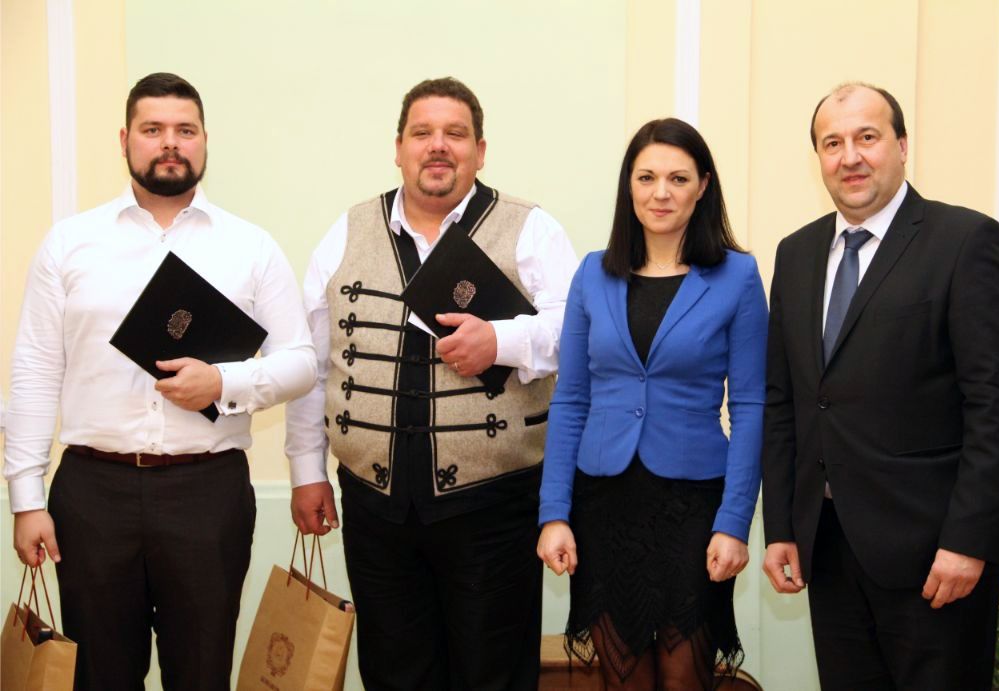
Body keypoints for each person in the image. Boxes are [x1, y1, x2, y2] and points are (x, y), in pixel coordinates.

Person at [4, 72, 317, 690]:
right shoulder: (70, 243)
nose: (170, 142)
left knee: (201, 673)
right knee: (99, 676)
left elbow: (302, 361)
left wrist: (222, 382)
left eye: (185, 130)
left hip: (208, 492)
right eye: (153, 129)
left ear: (205, 141)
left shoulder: (250, 246)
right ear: (125, 140)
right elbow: (35, 370)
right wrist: (26, 498)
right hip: (93, 493)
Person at [284, 76, 578, 690]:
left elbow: (577, 334)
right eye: (422, 133)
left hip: (495, 506)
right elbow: (316, 361)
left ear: (480, 150)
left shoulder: (531, 229)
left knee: (493, 677)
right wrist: (307, 471)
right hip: (375, 509)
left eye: (455, 134)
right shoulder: (346, 231)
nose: (438, 146)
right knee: (395, 676)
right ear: (398, 148)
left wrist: (501, 341)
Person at [761, 82, 999, 690]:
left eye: (867, 137)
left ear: (902, 145)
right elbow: (785, 402)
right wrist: (781, 526)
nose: (850, 157)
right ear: (818, 157)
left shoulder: (965, 242)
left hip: (935, 555)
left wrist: (968, 541)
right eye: (832, 143)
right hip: (828, 546)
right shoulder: (796, 254)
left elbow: (998, 405)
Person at [537, 118, 768, 690]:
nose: (660, 192)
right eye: (646, 177)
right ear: (629, 185)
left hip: (693, 508)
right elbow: (570, 400)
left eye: (677, 178)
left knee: (685, 677)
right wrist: (554, 514)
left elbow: (751, 405)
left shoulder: (737, 276)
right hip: (604, 504)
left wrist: (735, 522)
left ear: (703, 186)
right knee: (624, 681)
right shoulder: (593, 274)